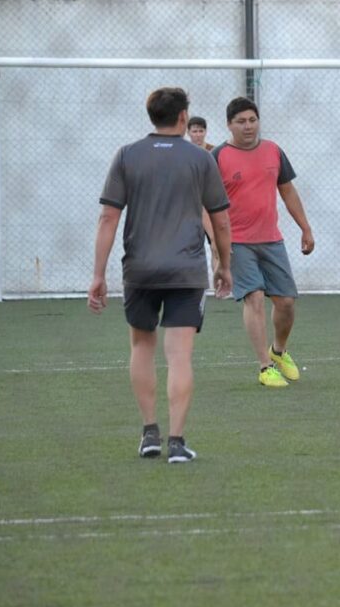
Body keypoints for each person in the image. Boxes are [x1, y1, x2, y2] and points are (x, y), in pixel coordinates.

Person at [88, 87, 233, 463]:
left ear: (151, 116)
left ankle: (149, 433)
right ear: (184, 117)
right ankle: (177, 442)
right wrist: (224, 264)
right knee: (179, 355)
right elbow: (220, 220)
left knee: (141, 347)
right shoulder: (201, 158)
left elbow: (108, 218)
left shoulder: (127, 155)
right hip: (186, 270)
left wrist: (98, 274)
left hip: (140, 270)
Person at [212, 96, 315, 388]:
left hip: (271, 240)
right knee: (254, 298)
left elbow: (288, 191)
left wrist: (305, 228)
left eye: (252, 120)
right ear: (229, 125)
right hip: (237, 243)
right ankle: (265, 367)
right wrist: (216, 246)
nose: (248, 126)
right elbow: (205, 205)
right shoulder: (217, 157)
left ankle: (278, 351)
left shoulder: (274, 151)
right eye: (241, 122)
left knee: (286, 303)